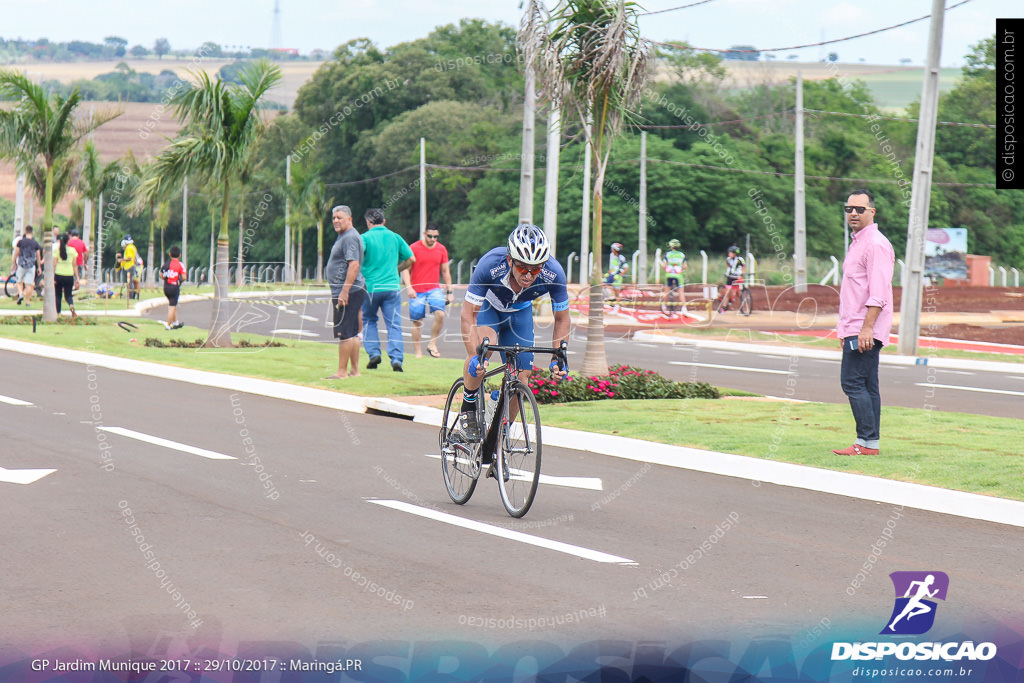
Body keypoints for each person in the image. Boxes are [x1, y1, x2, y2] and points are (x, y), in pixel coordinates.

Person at [454, 224, 570, 442]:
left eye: (535, 269)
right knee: (483, 353)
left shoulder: (554, 273)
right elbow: (467, 315)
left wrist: (558, 357)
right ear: (509, 260)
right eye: (522, 268)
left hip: (520, 313)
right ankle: (467, 410)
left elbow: (562, 318)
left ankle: (501, 432)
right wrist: (472, 355)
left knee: (522, 378)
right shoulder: (489, 266)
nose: (528, 275)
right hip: (490, 308)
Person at [833, 189, 894, 457]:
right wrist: (844, 329)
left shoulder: (876, 244)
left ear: (872, 212)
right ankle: (870, 444)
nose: (854, 213)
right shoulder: (858, 242)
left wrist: (865, 328)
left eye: (859, 209)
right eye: (849, 209)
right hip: (855, 326)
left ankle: (865, 441)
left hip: (865, 327)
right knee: (867, 385)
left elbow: (878, 293)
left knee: (852, 382)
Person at [360, 208, 414, 372]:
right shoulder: (395, 237)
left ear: (368, 222)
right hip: (391, 287)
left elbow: (356, 257)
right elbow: (411, 259)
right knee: (394, 324)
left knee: (369, 320)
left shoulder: (365, 238)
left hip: (370, 287)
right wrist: (397, 269)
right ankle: (397, 359)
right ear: (384, 221)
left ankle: (374, 353)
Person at [324, 205, 366, 379]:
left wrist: (344, 291)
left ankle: (342, 371)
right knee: (353, 331)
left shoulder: (349, 238)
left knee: (345, 332)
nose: (335, 221)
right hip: (352, 290)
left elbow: (354, 264)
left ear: (350, 219)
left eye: (339, 217)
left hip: (348, 291)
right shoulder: (345, 236)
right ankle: (355, 370)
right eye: (334, 218)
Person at [401, 221, 453, 358]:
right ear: (424, 234)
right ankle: (418, 352)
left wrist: (450, 291)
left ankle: (432, 344)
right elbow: (405, 270)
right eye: (430, 236)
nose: (432, 239)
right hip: (417, 289)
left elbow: (446, 271)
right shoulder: (413, 248)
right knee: (417, 321)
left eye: (435, 237)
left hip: (434, 288)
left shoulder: (441, 249)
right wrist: (409, 288)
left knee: (440, 314)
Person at [12, 226, 42, 306]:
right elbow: (38, 256)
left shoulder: (21, 242)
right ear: (32, 232)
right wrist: (39, 267)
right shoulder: (35, 243)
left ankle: (21, 294)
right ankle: (28, 301)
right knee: (29, 284)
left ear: (25, 231)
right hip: (31, 266)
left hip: (21, 265)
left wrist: (14, 263)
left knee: (19, 282)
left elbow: (16, 253)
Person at [52, 232, 79, 317]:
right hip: (69, 275)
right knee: (68, 294)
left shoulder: (57, 251)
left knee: (58, 295)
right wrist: (77, 278)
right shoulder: (72, 250)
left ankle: (59, 313)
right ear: (68, 241)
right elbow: (74, 265)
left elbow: (54, 264)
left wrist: (52, 277)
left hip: (58, 274)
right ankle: (71, 305)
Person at [160, 245, 187, 330]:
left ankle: (176, 322)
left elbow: (161, 275)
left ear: (170, 254)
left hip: (166, 287)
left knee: (173, 304)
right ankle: (168, 325)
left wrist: (167, 278)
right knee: (172, 306)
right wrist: (179, 281)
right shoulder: (180, 265)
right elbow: (184, 277)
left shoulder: (166, 264)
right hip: (174, 287)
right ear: (180, 255)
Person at [661, 238, 688, 312]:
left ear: (671, 246)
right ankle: (684, 308)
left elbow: (664, 266)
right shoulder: (682, 255)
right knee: (681, 292)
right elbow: (685, 266)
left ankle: (664, 306)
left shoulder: (667, 254)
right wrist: (680, 270)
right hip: (678, 275)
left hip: (669, 274)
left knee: (667, 291)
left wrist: (667, 270)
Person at [718, 245, 745, 313]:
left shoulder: (740, 260)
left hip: (737, 278)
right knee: (728, 292)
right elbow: (728, 267)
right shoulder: (728, 259)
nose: (729, 254)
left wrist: (741, 275)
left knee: (738, 293)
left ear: (735, 253)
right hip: (730, 278)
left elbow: (743, 268)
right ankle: (724, 307)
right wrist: (728, 273)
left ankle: (742, 307)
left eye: (730, 253)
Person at [117, 235, 141, 299]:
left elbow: (130, 258)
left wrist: (121, 260)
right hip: (131, 266)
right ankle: (133, 295)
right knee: (131, 282)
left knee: (129, 282)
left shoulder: (129, 248)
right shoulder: (132, 247)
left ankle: (130, 296)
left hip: (129, 267)